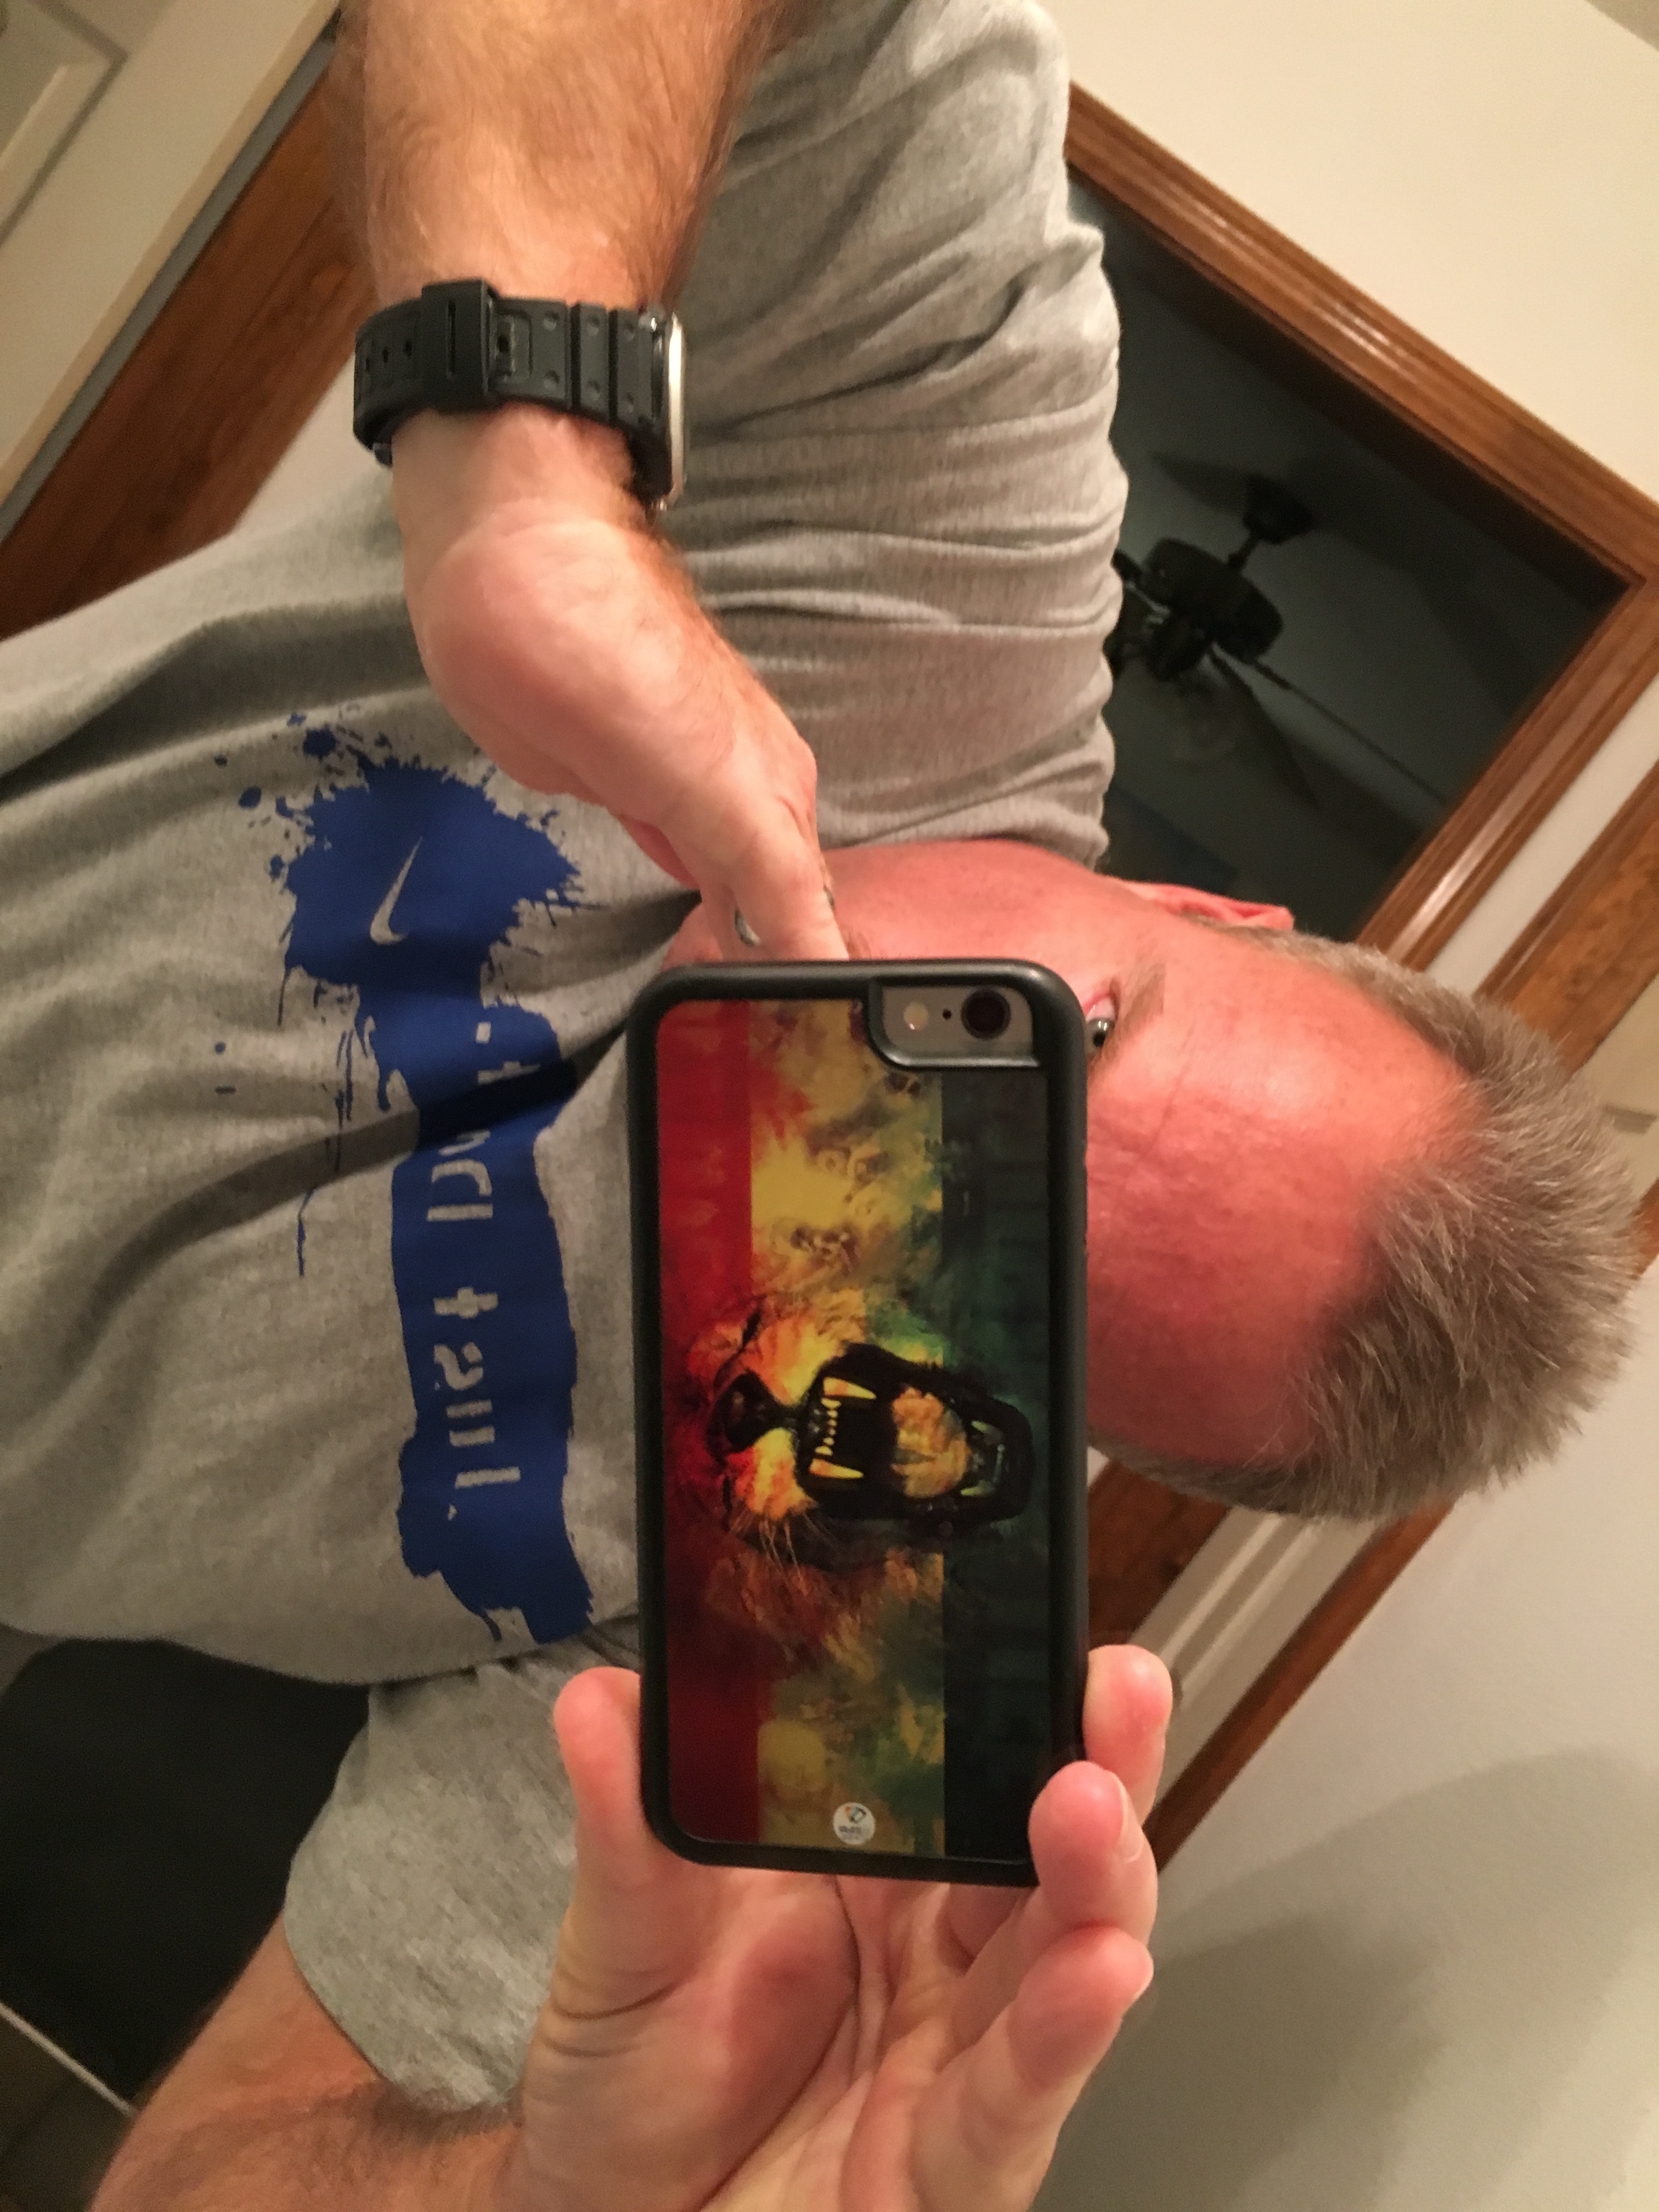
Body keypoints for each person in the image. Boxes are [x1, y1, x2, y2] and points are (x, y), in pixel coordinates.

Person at [0, 0, 1633, 2202]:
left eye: (993, 1275)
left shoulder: (808, 1599)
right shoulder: (940, 585)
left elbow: (218, 2171)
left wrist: (541, 2194)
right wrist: (526, 459)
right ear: (1198, 903)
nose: (880, 1145)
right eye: (1057, 1048)